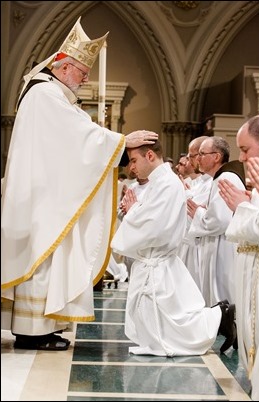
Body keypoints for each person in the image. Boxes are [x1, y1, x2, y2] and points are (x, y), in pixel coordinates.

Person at [1, 16, 158, 351]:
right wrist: (123, 141)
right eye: (82, 72)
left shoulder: (52, 96)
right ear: (62, 65)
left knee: (47, 261)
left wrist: (116, 144)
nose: (86, 79)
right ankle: (31, 333)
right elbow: (77, 138)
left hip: (49, 195)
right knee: (42, 261)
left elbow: (74, 140)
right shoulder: (45, 95)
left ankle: (42, 328)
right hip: (42, 200)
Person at [111, 140, 236, 357]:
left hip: (158, 259)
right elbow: (150, 216)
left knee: (176, 324)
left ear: (150, 155)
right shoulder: (158, 182)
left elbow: (154, 226)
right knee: (165, 318)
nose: (132, 167)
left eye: (134, 160)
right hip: (154, 260)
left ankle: (219, 317)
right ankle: (218, 317)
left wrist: (133, 211)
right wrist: (135, 210)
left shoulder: (167, 183)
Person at [218, 115, 259, 401]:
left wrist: (242, 209)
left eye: (245, 149)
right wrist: (248, 207)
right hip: (254, 273)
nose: (241, 157)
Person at [187, 136, 246, 307]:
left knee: (223, 296)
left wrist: (198, 212)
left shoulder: (226, 178)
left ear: (216, 156)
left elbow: (220, 221)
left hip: (224, 248)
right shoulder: (220, 178)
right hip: (218, 244)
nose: (198, 159)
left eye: (202, 154)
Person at [177, 136, 212, 289]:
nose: (189, 160)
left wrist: (185, 194)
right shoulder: (200, 182)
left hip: (200, 246)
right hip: (188, 243)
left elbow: (196, 210)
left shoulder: (212, 182)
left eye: (191, 155)